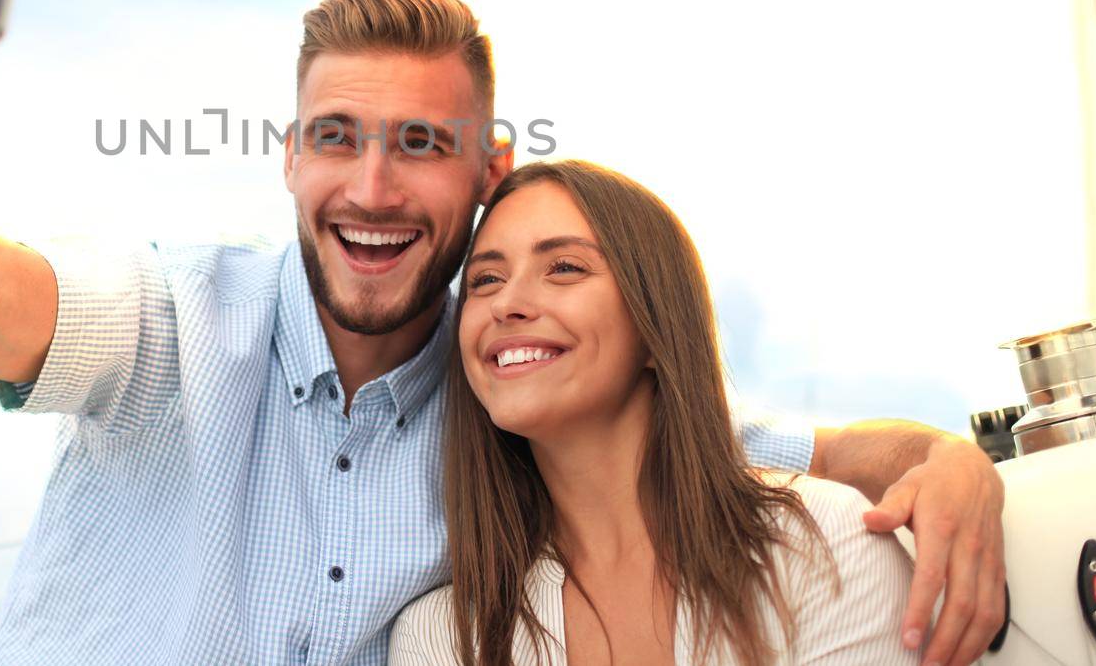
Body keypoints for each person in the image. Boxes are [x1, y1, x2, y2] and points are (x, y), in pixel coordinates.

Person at [0, 0, 1006, 665]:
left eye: (420, 146)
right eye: (339, 138)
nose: (373, 187)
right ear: (287, 157)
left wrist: (950, 462)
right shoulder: (163, 324)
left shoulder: (523, 391)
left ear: (486, 165)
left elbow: (755, 441)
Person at [388, 161, 919, 665]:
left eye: (565, 268)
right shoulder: (443, 638)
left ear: (654, 326)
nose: (508, 303)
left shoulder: (824, 543)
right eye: (485, 280)